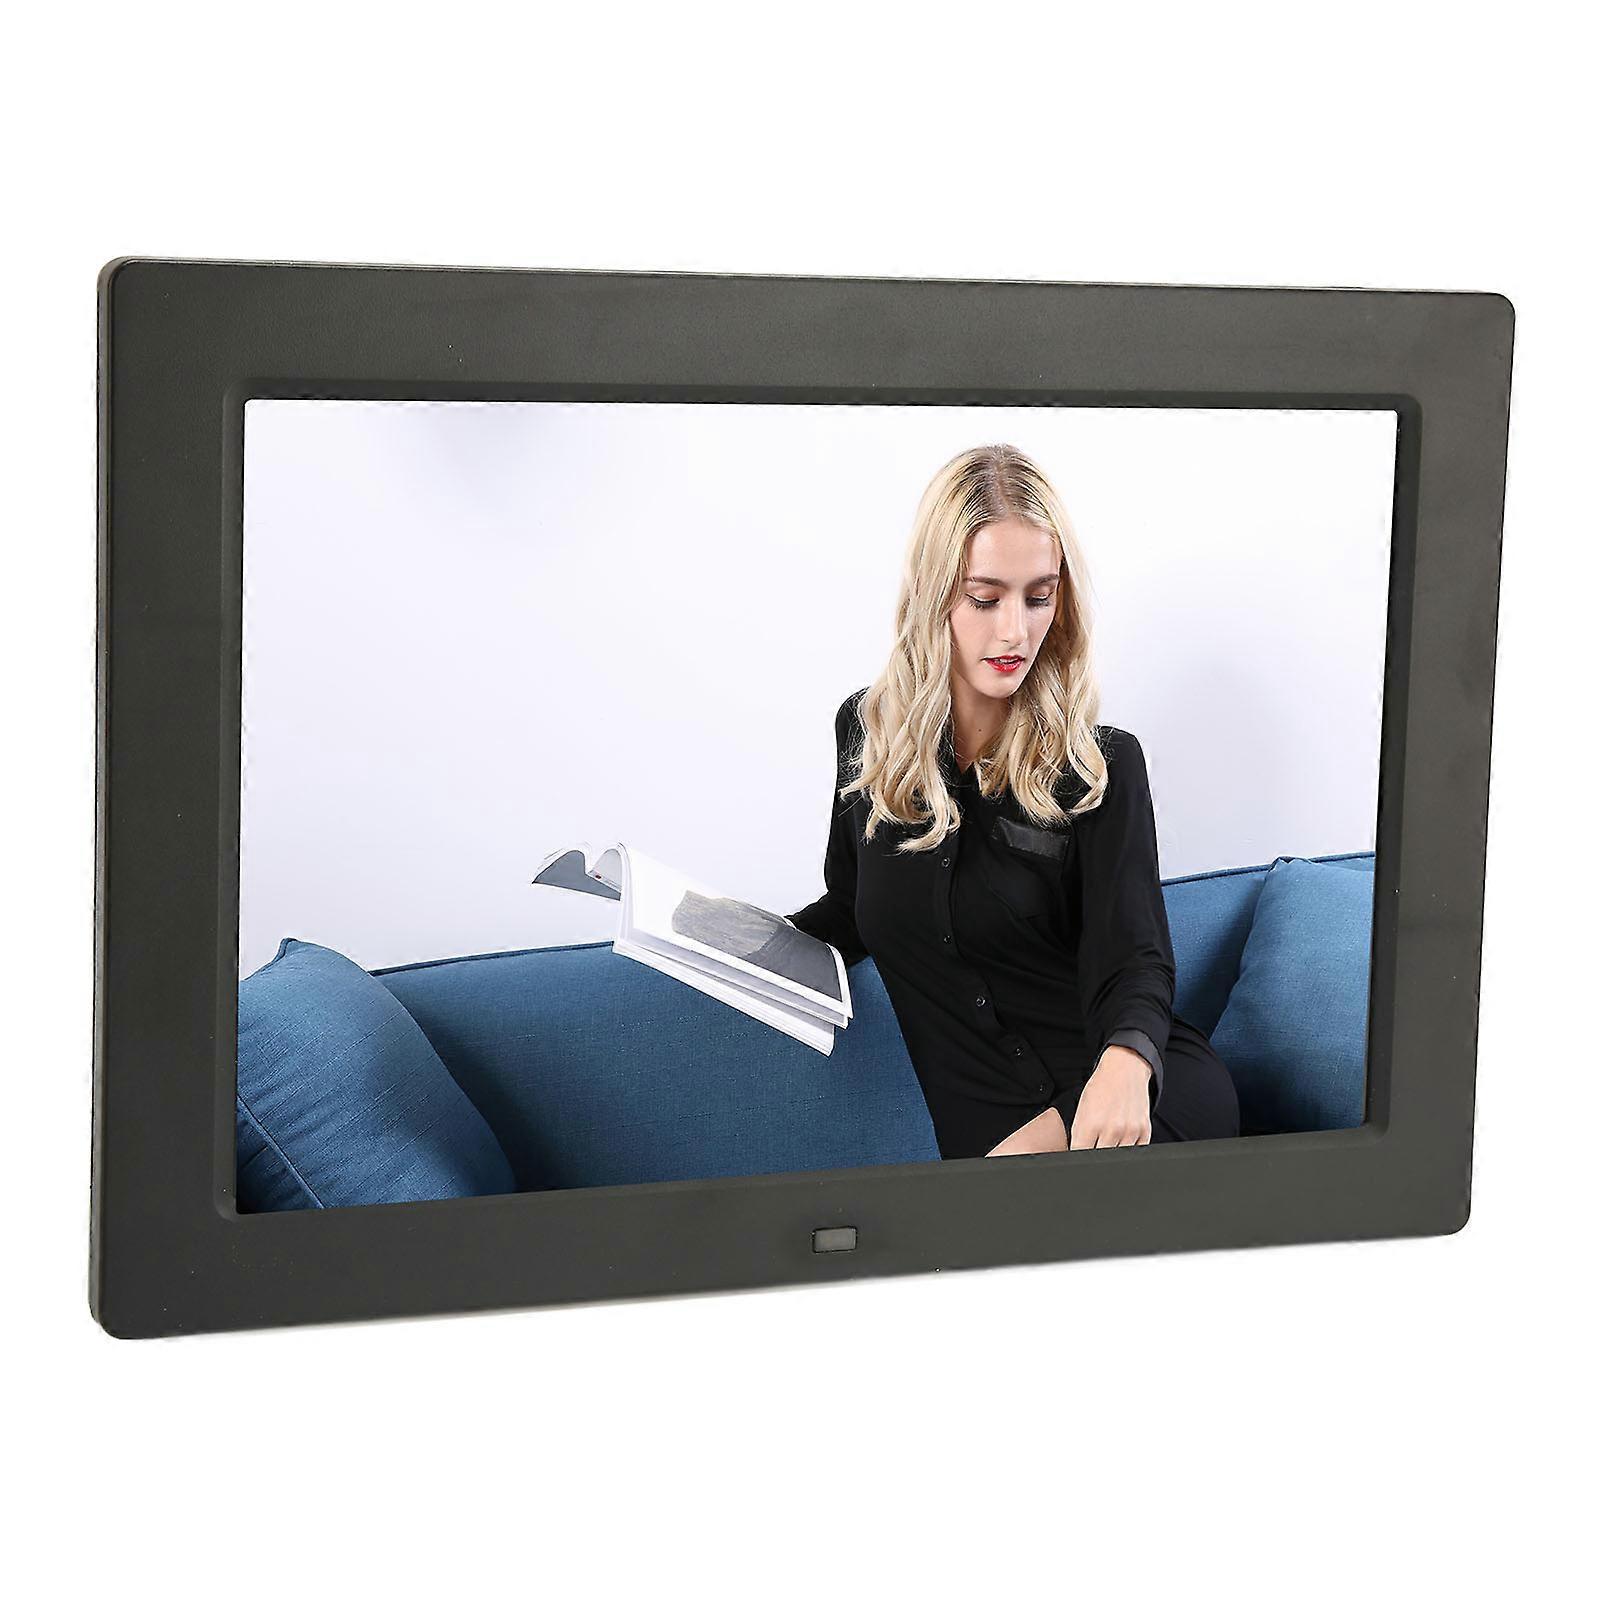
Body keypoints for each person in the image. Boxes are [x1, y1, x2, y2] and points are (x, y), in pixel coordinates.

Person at [786, 443, 1240, 1160]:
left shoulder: (1100, 767)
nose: (1014, 631)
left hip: (1132, 1103)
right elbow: (849, 910)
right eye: (984, 597)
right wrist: (726, 939)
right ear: (934, 593)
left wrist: (1126, 1064)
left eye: (1038, 596)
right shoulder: (867, 735)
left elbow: (1136, 957)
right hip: (998, 1147)